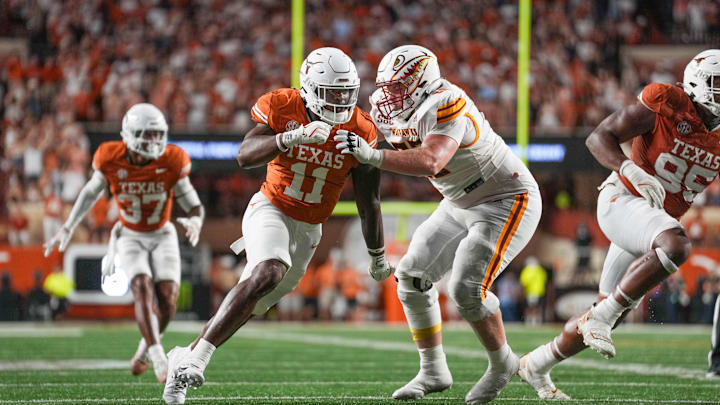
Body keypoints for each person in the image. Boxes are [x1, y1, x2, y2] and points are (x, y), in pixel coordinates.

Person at [162, 47, 391, 405]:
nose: (341, 101)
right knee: (268, 270)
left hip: (310, 228)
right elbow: (244, 155)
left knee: (254, 302)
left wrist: (377, 255)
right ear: (311, 88)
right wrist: (291, 138)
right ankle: (198, 358)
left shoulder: (361, 128)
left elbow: (369, 200)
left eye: (347, 93)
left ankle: (182, 357)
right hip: (271, 207)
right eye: (333, 93)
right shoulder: (284, 105)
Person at [336, 44, 542, 404]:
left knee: (466, 289)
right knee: (412, 275)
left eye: (398, 88)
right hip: (459, 201)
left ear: (422, 82)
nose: (388, 97)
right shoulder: (396, 110)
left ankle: (501, 364)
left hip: (505, 199)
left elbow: (432, 160)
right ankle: (433, 371)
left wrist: (373, 155)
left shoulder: (446, 102)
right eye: (387, 87)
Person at [518, 49, 720, 399]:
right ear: (697, 82)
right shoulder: (667, 99)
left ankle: (536, 364)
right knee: (677, 245)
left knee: (610, 311)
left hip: (650, 221)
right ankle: (599, 318)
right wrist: (628, 168)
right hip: (623, 201)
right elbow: (598, 137)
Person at [44, 103, 205, 384]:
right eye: (147, 134)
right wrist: (68, 226)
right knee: (141, 286)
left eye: (158, 134)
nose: (154, 141)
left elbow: (193, 204)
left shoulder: (171, 160)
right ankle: (157, 357)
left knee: (168, 301)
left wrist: (196, 221)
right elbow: (90, 192)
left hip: (162, 233)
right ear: (129, 134)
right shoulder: (110, 157)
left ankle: (143, 350)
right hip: (129, 234)